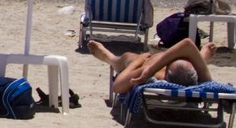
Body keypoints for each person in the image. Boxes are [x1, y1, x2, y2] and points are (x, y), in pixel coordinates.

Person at [89, 37, 218, 95]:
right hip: (183, 68)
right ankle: (201, 59)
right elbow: (187, 45)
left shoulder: (155, 74)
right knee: (193, 60)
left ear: (166, 75)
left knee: (127, 57)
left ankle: (110, 59)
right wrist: (199, 59)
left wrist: (142, 63)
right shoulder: (204, 80)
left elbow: (117, 86)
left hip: (147, 61)